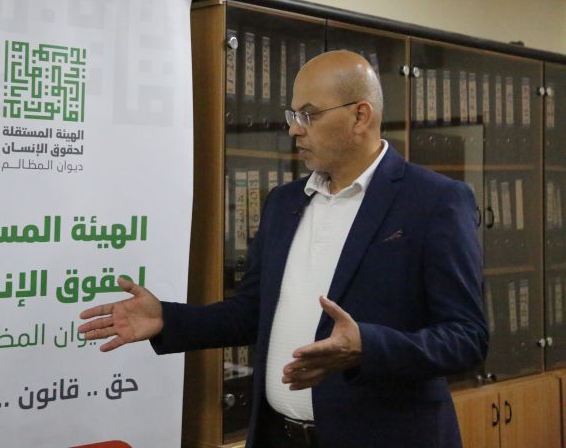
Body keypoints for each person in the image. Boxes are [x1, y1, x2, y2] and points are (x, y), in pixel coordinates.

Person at [79, 50, 488, 448]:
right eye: (293, 115)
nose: (294, 130)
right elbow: (252, 311)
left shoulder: (434, 201)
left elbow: (466, 337)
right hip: (278, 436)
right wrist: (167, 319)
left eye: (308, 115)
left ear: (360, 116)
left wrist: (366, 346)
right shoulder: (285, 202)